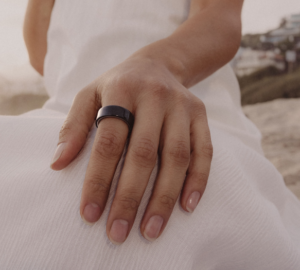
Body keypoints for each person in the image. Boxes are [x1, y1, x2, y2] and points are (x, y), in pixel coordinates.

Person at [0, 0, 300, 269]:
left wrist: (155, 64)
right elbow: (43, 53)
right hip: (66, 118)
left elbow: (221, 17)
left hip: (188, 111)